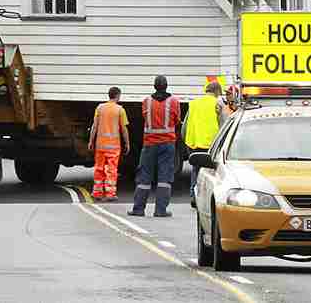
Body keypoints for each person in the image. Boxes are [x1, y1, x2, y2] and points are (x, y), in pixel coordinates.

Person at [129, 75, 181, 218]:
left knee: (144, 177)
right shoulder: (174, 101)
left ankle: (138, 209)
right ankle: (160, 210)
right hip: (168, 144)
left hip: (149, 144)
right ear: (166, 86)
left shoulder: (146, 101)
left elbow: (145, 118)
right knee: (164, 177)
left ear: (154, 86)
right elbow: (176, 120)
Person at [88, 87, 130, 202]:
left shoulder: (100, 108)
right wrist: (127, 143)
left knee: (99, 168)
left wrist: (91, 141)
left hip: (100, 145)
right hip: (113, 146)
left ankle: (97, 192)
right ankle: (110, 193)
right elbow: (123, 129)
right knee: (111, 170)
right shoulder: (120, 110)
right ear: (118, 95)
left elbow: (94, 126)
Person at [184, 81, 222, 206]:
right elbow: (222, 123)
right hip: (212, 144)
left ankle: (193, 196)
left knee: (196, 170)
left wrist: (187, 141)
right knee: (211, 173)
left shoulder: (193, 104)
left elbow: (185, 126)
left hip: (195, 142)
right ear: (216, 92)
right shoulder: (217, 103)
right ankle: (206, 198)